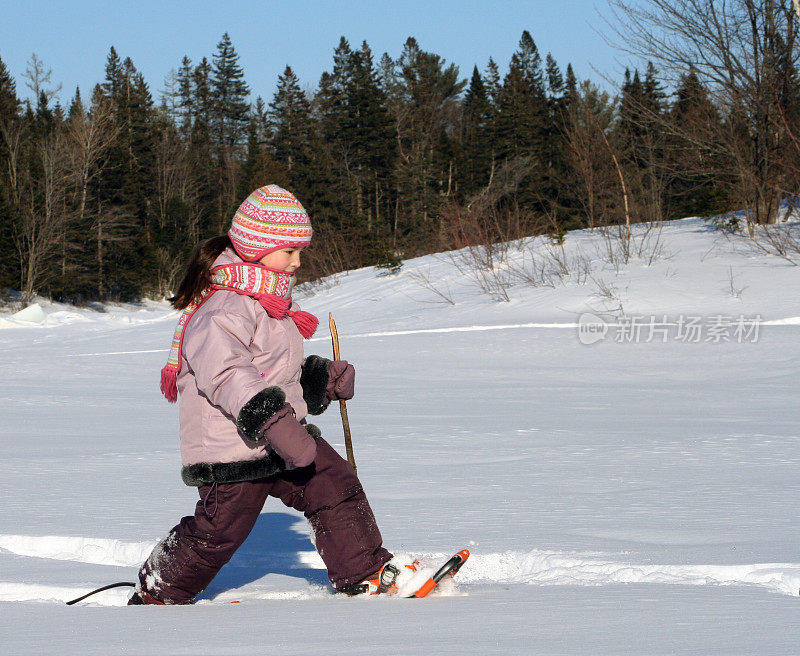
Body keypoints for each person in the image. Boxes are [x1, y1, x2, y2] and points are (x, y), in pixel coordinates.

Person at [130, 185, 409, 605]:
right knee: (219, 532)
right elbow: (227, 375)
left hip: (282, 437)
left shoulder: (268, 303)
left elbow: (278, 368)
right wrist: (276, 424)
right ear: (255, 248)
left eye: (301, 251)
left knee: (334, 485)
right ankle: (158, 588)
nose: (298, 262)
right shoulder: (224, 307)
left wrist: (323, 379)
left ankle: (366, 571)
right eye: (289, 251)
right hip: (232, 449)